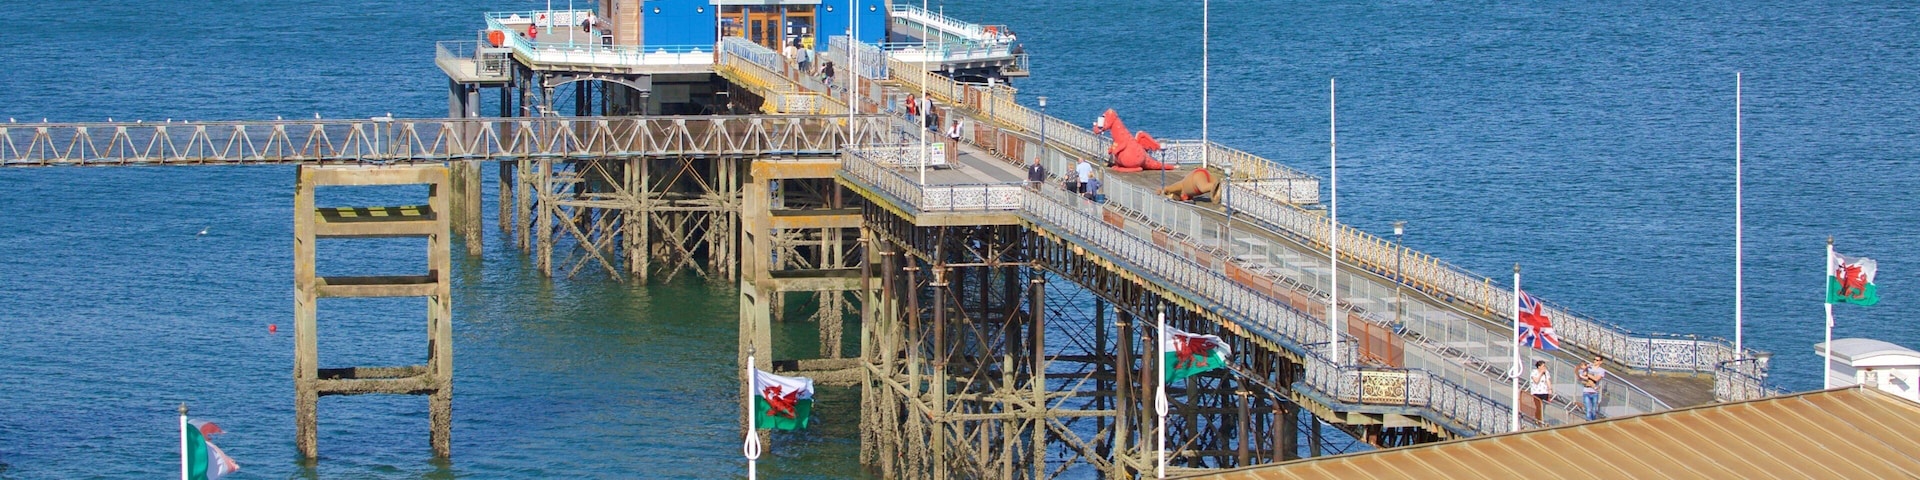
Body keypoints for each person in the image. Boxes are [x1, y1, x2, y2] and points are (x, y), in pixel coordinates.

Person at [1579, 356, 1608, 421]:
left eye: (1597, 360)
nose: (1595, 361)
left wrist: (1588, 375)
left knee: (1594, 410)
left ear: (1600, 362)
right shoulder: (1589, 367)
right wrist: (1585, 371)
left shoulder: (1601, 370)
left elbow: (1597, 379)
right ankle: (1589, 422)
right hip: (1586, 390)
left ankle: (1593, 421)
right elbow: (1581, 373)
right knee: (1588, 409)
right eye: (1594, 359)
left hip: (1594, 392)